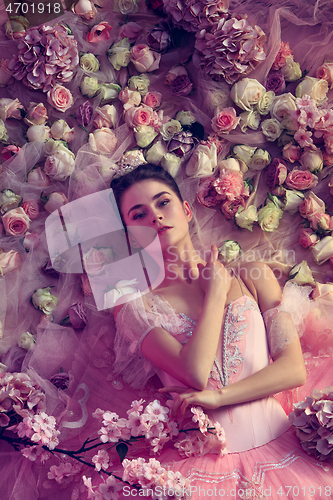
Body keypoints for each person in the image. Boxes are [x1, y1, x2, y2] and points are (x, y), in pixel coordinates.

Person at [111, 163, 333, 499]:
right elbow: (194, 374)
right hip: (203, 470)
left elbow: (293, 369)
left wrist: (219, 398)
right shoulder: (134, 306)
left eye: (163, 202)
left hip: (288, 449)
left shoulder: (253, 274)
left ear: (186, 210)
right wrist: (215, 294)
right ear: (130, 234)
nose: (155, 217)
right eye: (138, 214)